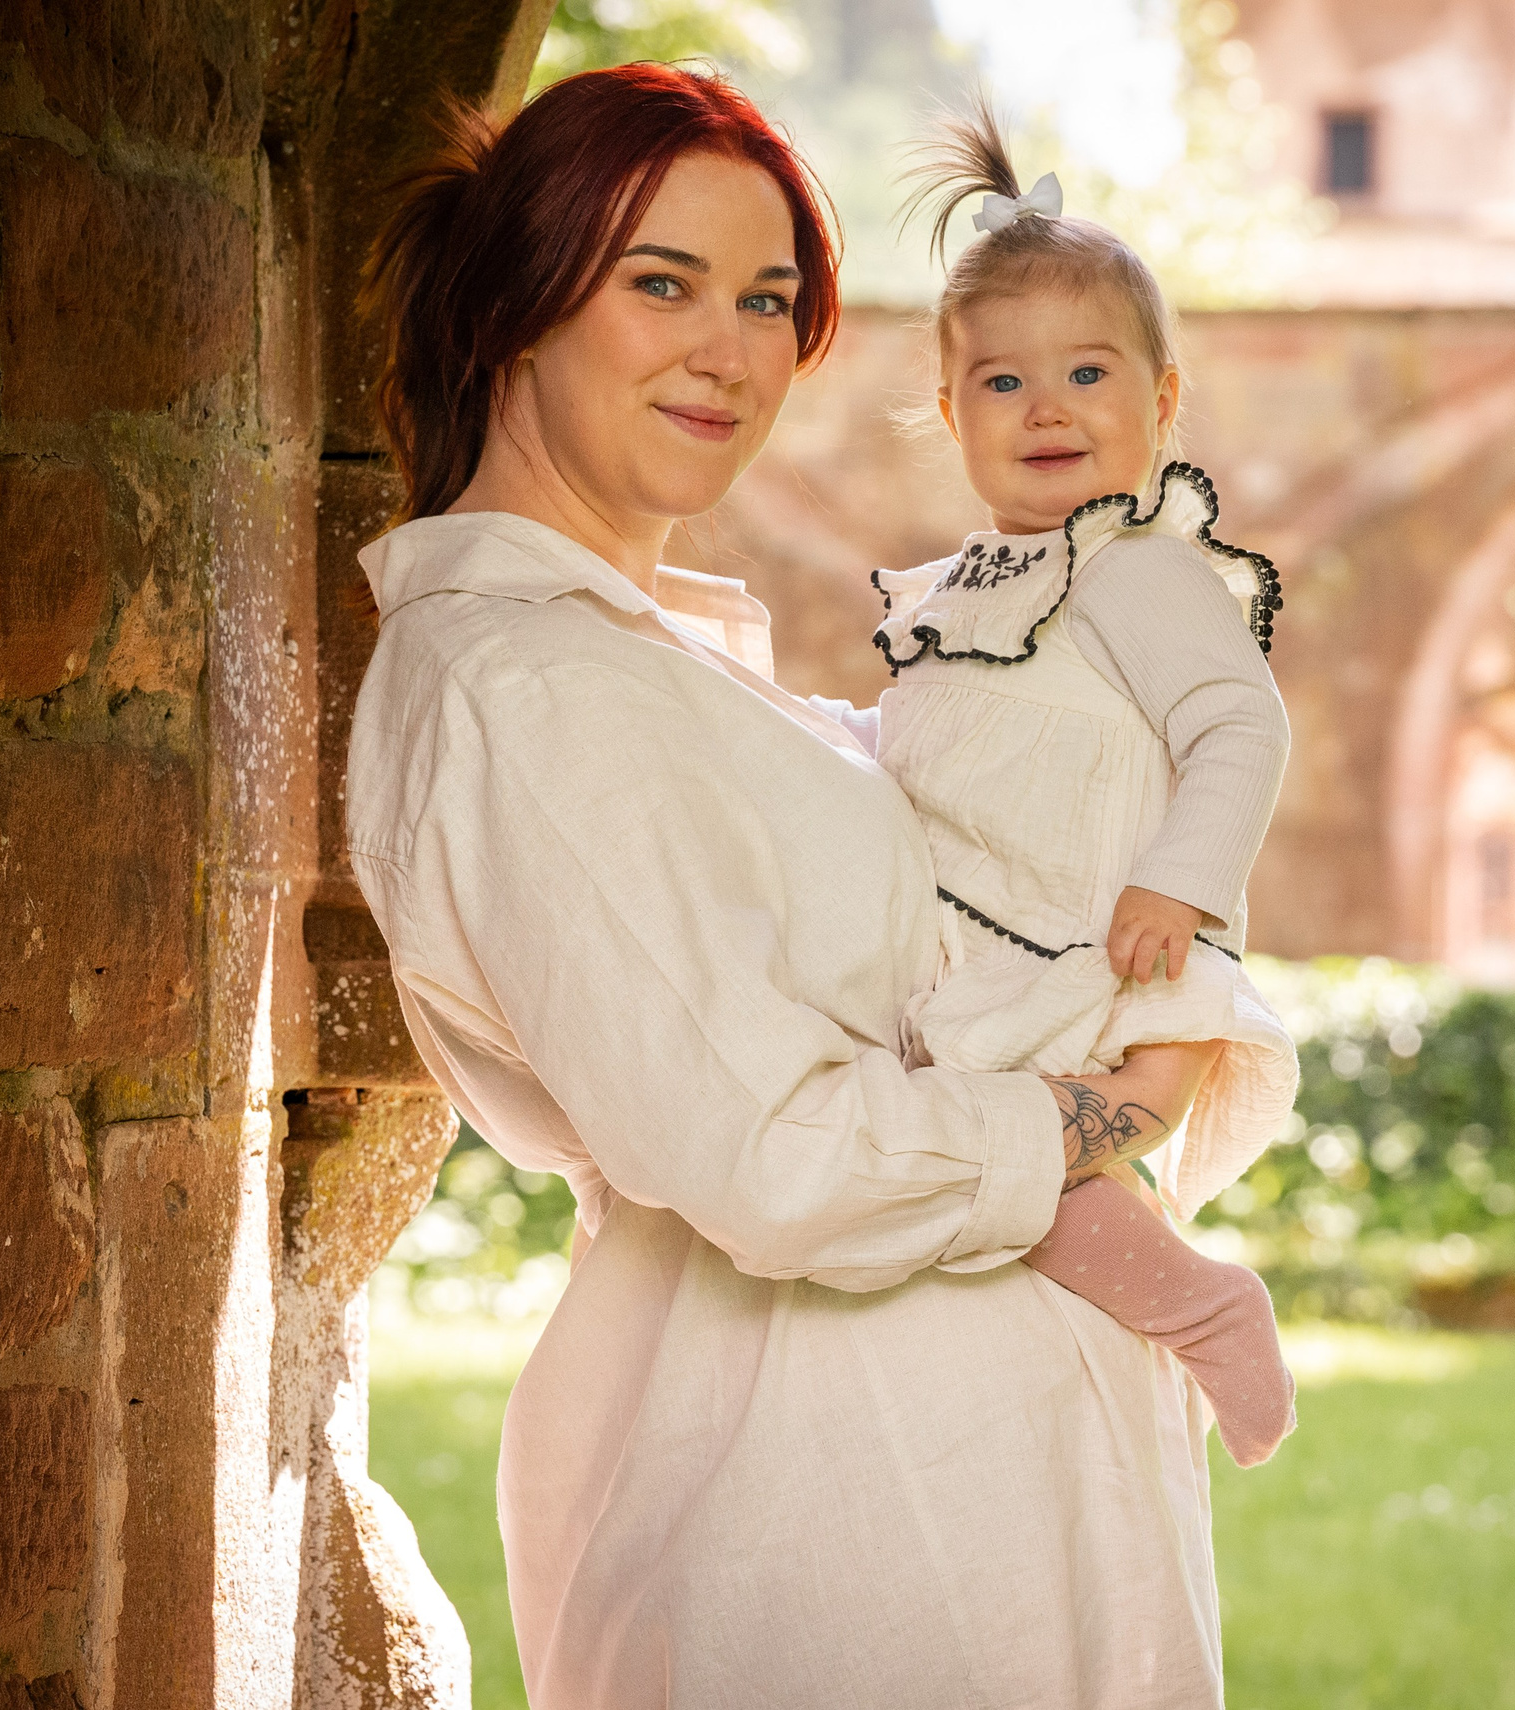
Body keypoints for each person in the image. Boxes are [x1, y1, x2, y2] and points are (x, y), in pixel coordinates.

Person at [348, 64, 1234, 1710]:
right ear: (513, 306)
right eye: (659, 282)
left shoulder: (656, 662)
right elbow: (771, 1154)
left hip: (983, 1518)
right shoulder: (521, 686)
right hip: (841, 1539)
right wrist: (1098, 1115)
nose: (730, 349)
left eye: (767, 298)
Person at [867, 107, 1301, 1468]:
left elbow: (1241, 724)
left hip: (1095, 951)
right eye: (1001, 384)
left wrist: (1182, 878)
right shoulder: (965, 591)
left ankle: (1206, 1305)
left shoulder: (1136, 568)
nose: (1046, 406)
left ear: (1162, 403)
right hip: (981, 944)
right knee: (968, 1165)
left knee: (1023, 1168)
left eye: (1089, 374)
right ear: (950, 416)